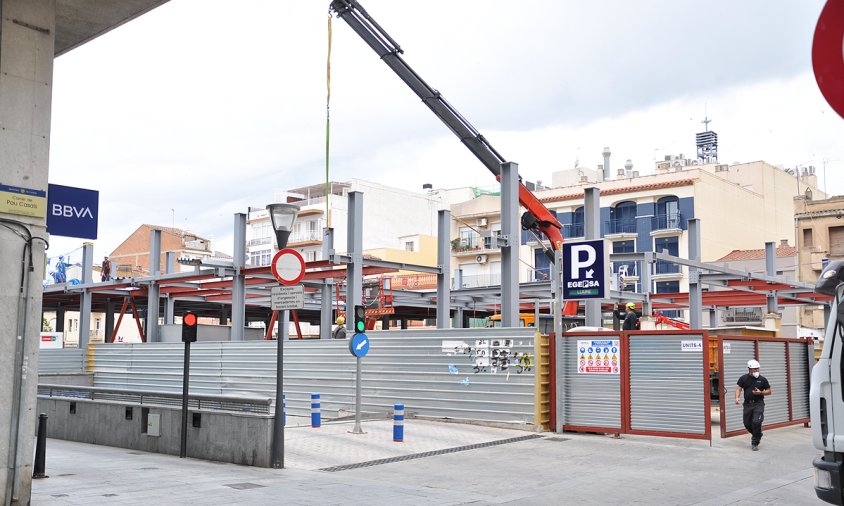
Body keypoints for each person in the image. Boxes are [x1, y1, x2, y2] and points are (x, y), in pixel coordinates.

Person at [735, 359, 772, 451]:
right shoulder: (743, 378)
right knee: (747, 423)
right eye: (754, 369)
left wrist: (761, 392)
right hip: (747, 404)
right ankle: (758, 433)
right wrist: (737, 397)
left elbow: (769, 391)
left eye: (757, 369)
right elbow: (739, 389)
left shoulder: (762, 379)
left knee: (756, 421)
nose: (756, 371)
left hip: (758, 404)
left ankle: (755, 442)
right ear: (749, 369)